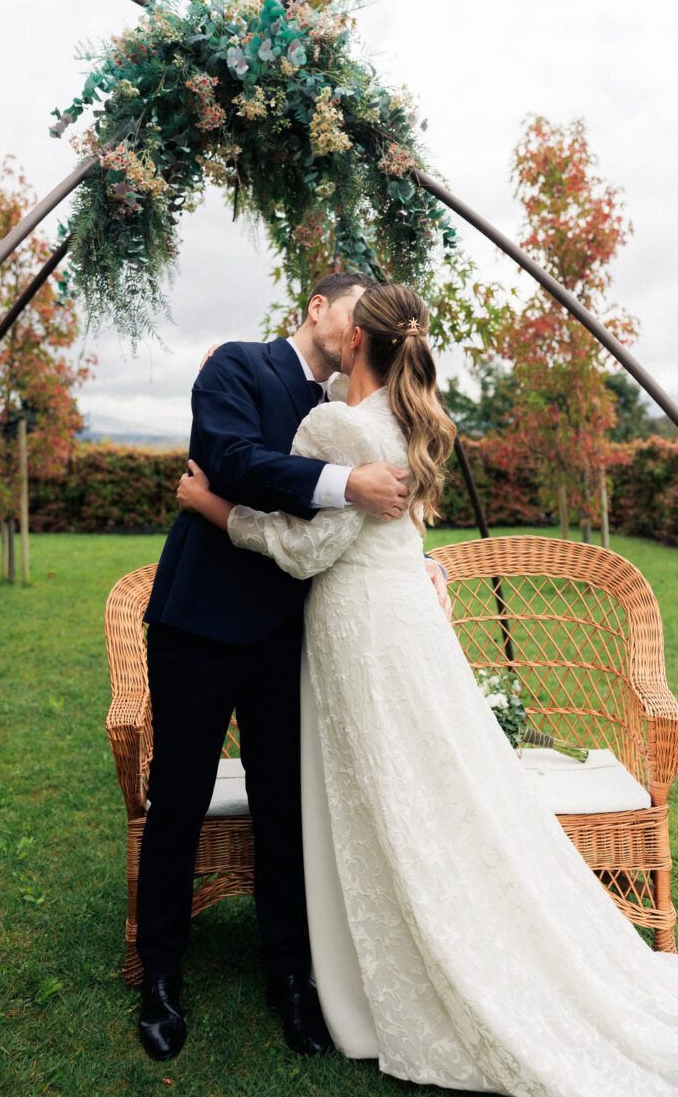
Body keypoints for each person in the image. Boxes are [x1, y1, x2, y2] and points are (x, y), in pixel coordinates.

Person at [178, 281, 678, 1097]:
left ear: (353, 344)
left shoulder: (337, 423)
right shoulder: (406, 420)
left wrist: (212, 508)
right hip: (406, 622)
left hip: (362, 632)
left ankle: (409, 960)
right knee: (439, 787)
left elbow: (306, 554)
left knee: (389, 791)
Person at [137, 272, 451, 1062]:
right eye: (353, 311)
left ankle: (292, 977)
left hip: (291, 636)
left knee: (287, 810)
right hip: (201, 626)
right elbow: (233, 459)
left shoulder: (353, 409)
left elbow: (372, 509)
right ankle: (161, 975)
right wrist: (346, 483)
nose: (358, 333)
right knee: (178, 799)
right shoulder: (237, 365)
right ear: (319, 308)